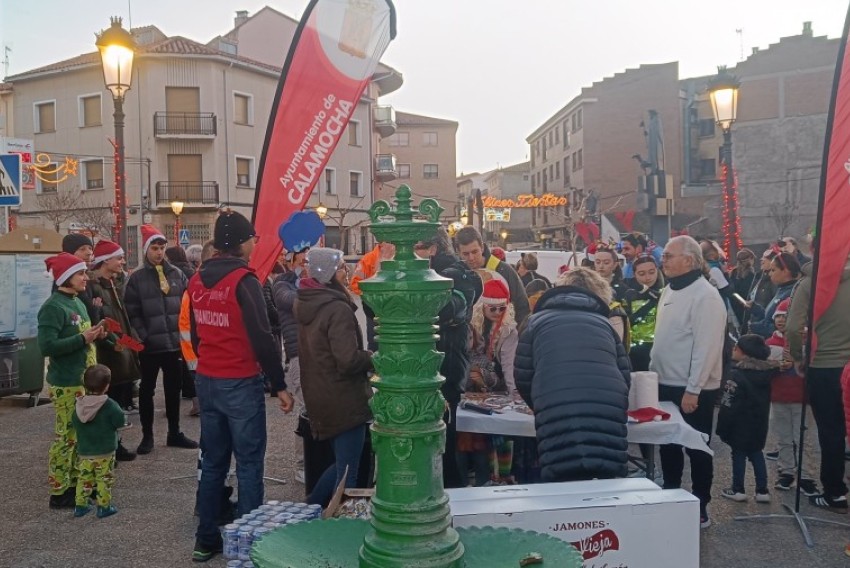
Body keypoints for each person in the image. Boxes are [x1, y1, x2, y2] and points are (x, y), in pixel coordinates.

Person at [189, 211, 294, 562]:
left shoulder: (197, 279)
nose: (255, 244)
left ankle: (206, 540)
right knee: (249, 463)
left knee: (214, 462)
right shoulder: (243, 280)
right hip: (238, 380)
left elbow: (195, 331)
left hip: (207, 379)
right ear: (239, 242)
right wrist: (278, 383)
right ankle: (250, 542)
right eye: (252, 239)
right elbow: (262, 336)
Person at [515, 267, 631, 482]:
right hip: (606, 406)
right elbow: (624, 373)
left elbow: (523, 376)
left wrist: (542, 403)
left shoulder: (535, 323)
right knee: (607, 482)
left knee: (563, 481)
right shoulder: (606, 325)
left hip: (555, 406)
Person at [650, 235, 726, 529]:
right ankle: (671, 493)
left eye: (669, 255)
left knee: (697, 446)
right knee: (668, 443)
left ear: (690, 261)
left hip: (693, 389)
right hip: (665, 382)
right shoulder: (669, 289)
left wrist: (693, 389)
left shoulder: (705, 295)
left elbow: (706, 348)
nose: (663, 260)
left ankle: (700, 504)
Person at [296, 248, 374, 508]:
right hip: (343, 398)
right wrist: (374, 357)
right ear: (328, 274)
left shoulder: (308, 302)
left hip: (321, 395)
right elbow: (347, 359)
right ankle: (334, 524)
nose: (346, 271)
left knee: (342, 463)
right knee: (347, 475)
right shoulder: (337, 309)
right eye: (341, 267)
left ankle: (309, 509)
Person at [38, 252, 107, 509]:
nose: (86, 277)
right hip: (67, 383)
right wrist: (82, 340)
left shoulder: (76, 302)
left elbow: (82, 334)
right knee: (66, 437)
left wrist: (97, 335)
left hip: (84, 382)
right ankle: (59, 491)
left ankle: (78, 484)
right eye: (80, 273)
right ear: (66, 277)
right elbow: (46, 346)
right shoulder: (53, 307)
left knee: (81, 436)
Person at [414, 227, 481, 488]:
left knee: (444, 444)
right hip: (432, 369)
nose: (411, 253)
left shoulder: (455, 274)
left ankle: (450, 494)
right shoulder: (425, 272)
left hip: (445, 372)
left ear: (432, 249)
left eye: (417, 247)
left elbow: (446, 310)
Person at [124, 225, 198, 454]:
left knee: (173, 389)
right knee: (147, 391)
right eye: (154, 248)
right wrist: (142, 338)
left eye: (162, 248)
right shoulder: (137, 278)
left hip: (173, 344)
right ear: (147, 249)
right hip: (149, 346)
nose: (158, 252)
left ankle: (174, 432)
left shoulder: (177, 273)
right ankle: (147, 436)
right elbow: (132, 312)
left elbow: (187, 305)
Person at [787, 251, 850, 514]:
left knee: (831, 430)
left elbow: (792, 327)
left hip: (824, 365)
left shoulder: (810, 282)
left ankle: (835, 492)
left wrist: (796, 357)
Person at [86, 239, 139, 461]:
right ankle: (112, 447)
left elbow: (121, 319)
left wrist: (135, 345)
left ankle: (115, 445)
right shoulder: (94, 287)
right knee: (109, 400)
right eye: (118, 258)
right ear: (105, 261)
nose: (122, 262)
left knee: (116, 398)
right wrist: (120, 344)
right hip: (109, 352)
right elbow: (100, 322)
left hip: (120, 348)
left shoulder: (113, 284)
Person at [465, 279, 519, 485]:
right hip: (470, 389)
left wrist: (515, 396)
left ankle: (499, 476)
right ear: (482, 307)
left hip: (498, 388)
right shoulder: (471, 326)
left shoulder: (508, 332)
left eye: (502, 308)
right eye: (492, 308)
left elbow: (509, 366)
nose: (497, 312)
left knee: (499, 436)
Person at [765, 299, 819, 495]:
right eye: (778, 316)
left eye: (785, 316)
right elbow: (762, 367)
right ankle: (786, 471)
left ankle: (806, 475)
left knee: (803, 438)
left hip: (802, 398)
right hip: (778, 397)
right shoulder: (770, 343)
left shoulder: (809, 342)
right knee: (784, 437)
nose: (781, 320)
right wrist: (773, 366)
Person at [716, 334, 775, 503]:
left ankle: (738, 489)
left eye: (735, 348)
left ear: (743, 352)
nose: (732, 350)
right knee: (757, 453)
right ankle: (762, 491)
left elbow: (728, 403)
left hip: (739, 425)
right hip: (759, 423)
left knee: (738, 454)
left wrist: (722, 426)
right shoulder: (767, 374)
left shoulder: (736, 375)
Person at [72, 364, 126, 518]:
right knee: (104, 478)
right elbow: (120, 420)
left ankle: (80, 505)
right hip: (105, 450)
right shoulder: (109, 405)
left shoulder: (79, 404)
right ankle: (104, 506)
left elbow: (74, 420)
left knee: (84, 478)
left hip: (84, 450)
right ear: (107, 386)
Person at [456, 226, 530, 324]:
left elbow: (522, 307)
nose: (471, 258)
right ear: (458, 252)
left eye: (474, 252)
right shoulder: (457, 273)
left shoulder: (504, 270)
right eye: (465, 254)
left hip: (503, 335)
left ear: (482, 247)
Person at [350, 242, 395, 350]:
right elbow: (355, 284)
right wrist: (370, 297)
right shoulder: (368, 259)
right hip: (373, 311)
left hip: (395, 310)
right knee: (375, 342)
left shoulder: (400, 257)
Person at [624, 254, 665, 372]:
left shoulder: (667, 292)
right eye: (641, 274)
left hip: (660, 349)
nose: (647, 277)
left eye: (651, 272)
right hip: (635, 350)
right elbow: (627, 322)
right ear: (634, 275)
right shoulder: (630, 294)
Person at [748, 252, 801, 339]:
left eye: (773, 270)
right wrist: (756, 309)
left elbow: (784, 327)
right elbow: (771, 316)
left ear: (785, 271)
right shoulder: (782, 289)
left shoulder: (791, 293)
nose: (770, 274)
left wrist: (757, 327)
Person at [743, 249, 778, 333]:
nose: (761, 259)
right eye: (762, 257)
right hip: (753, 324)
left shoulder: (774, 281)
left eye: (765, 257)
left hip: (764, 327)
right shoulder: (758, 276)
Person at [728, 248, 757, 328]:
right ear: (750, 259)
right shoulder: (751, 275)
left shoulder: (732, 273)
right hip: (745, 306)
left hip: (733, 305)